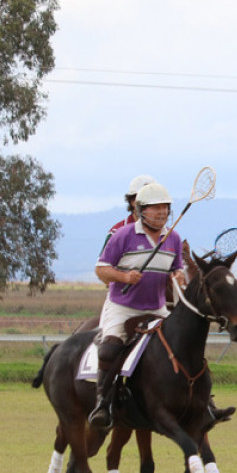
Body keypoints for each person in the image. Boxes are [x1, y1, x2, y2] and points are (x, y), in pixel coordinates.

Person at [88, 182, 187, 430]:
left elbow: (177, 268)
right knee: (110, 349)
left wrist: (177, 276)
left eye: (165, 207)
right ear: (141, 210)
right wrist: (124, 277)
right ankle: (103, 404)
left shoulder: (173, 238)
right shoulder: (123, 235)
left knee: (184, 345)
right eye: (156, 208)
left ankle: (198, 402)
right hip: (123, 306)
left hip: (156, 307)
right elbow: (101, 269)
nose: (162, 212)